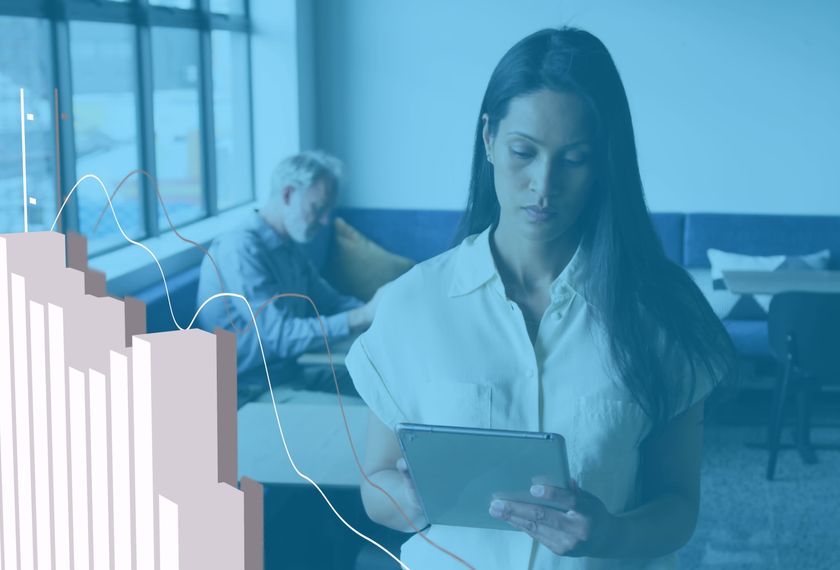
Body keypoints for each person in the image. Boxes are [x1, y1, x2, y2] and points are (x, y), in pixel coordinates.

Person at [347, 28, 735, 569]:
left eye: (574, 158)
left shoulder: (663, 311)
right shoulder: (414, 304)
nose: (544, 184)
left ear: (605, 163)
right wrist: (411, 499)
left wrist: (612, 536)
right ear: (488, 138)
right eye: (523, 153)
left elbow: (679, 506)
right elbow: (376, 481)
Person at [197, 150, 377, 404]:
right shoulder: (240, 249)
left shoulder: (289, 245)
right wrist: (361, 316)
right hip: (249, 390)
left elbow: (330, 302)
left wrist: (382, 313)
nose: (325, 220)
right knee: (366, 414)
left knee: (384, 390)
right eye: (318, 208)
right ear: (288, 194)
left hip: (289, 374)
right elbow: (279, 336)